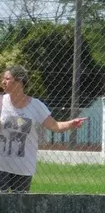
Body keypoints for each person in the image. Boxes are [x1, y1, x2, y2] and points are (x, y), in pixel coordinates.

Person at [0, 65, 86, 193]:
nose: (3, 82)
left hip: (24, 166)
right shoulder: (1, 101)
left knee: (21, 205)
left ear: (19, 81)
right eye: (3, 79)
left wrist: (70, 124)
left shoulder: (36, 106)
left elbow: (55, 126)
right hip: (2, 164)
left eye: (7, 79)